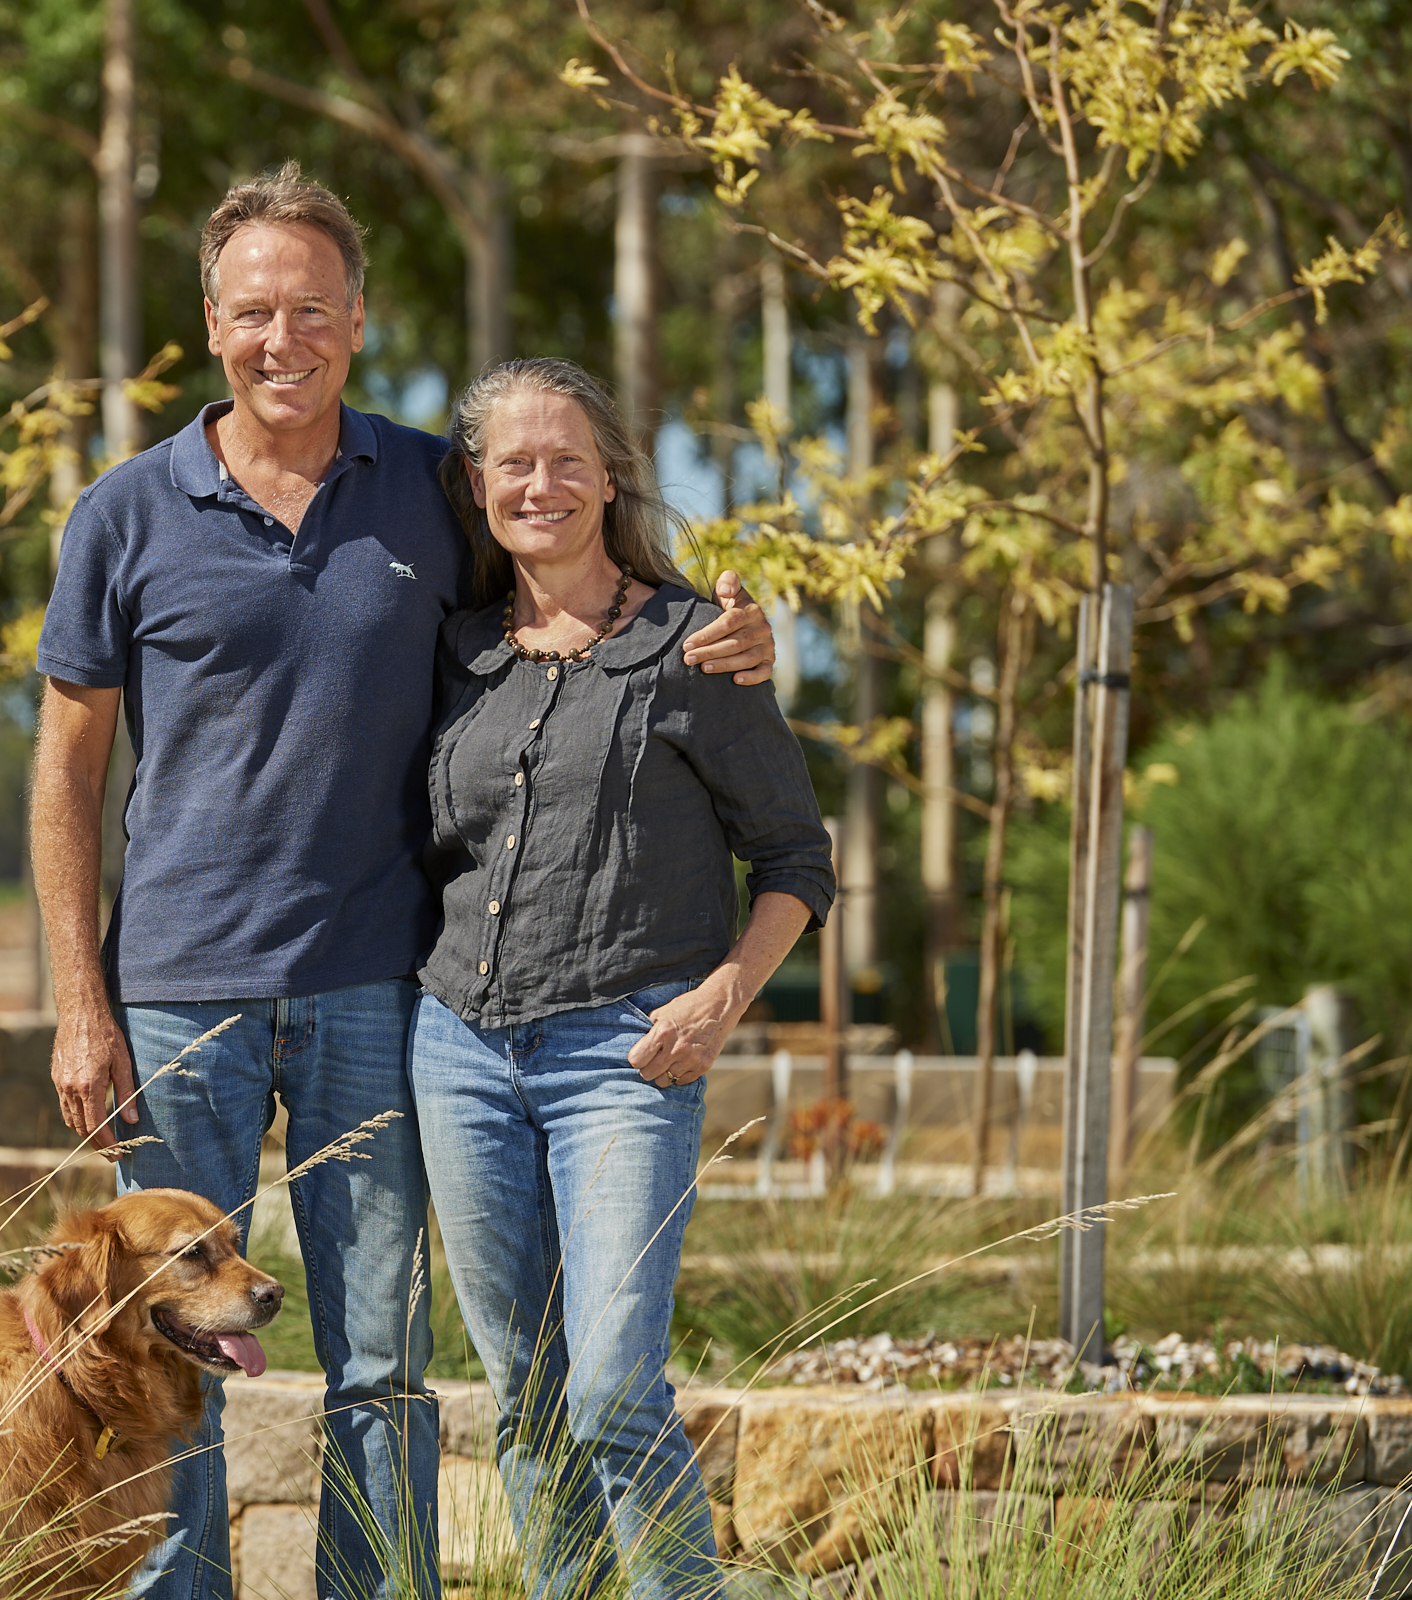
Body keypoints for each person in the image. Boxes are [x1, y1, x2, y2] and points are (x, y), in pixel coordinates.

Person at [30, 166, 776, 1600]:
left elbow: (581, 573)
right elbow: (66, 770)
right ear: (210, 320)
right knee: (160, 1346)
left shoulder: (432, 488)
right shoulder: (122, 514)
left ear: (357, 318)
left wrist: (728, 629)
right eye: (254, 310)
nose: (282, 338)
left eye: (313, 308)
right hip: (176, 992)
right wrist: (80, 999)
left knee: (377, 1357)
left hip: (384, 983)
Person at [410, 358, 834, 1600]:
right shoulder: (450, 652)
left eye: (564, 459)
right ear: (477, 486)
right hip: (457, 1050)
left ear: (609, 477)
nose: (538, 482)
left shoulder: (695, 642)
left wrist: (723, 997)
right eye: (511, 462)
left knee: (609, 1388)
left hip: (626, 1054)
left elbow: (799, 857)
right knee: (529, 1396)